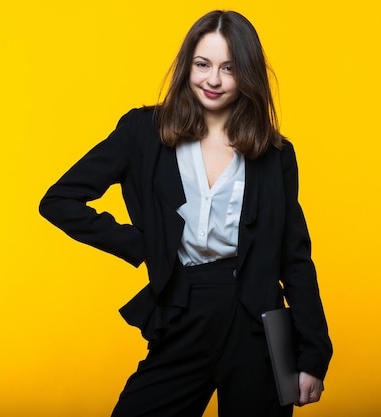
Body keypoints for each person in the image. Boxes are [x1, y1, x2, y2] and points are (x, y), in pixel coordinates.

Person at [39, 10, 332, 417]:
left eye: (229, 68)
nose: (213, 80)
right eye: (203, 64)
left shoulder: (275, 153)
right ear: (186, 66)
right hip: (183, 308)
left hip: (257, 325)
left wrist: (313, 354)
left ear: (247, 74)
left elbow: (295, 258)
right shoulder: (143, 132)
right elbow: (59, 199)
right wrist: (143, 244)